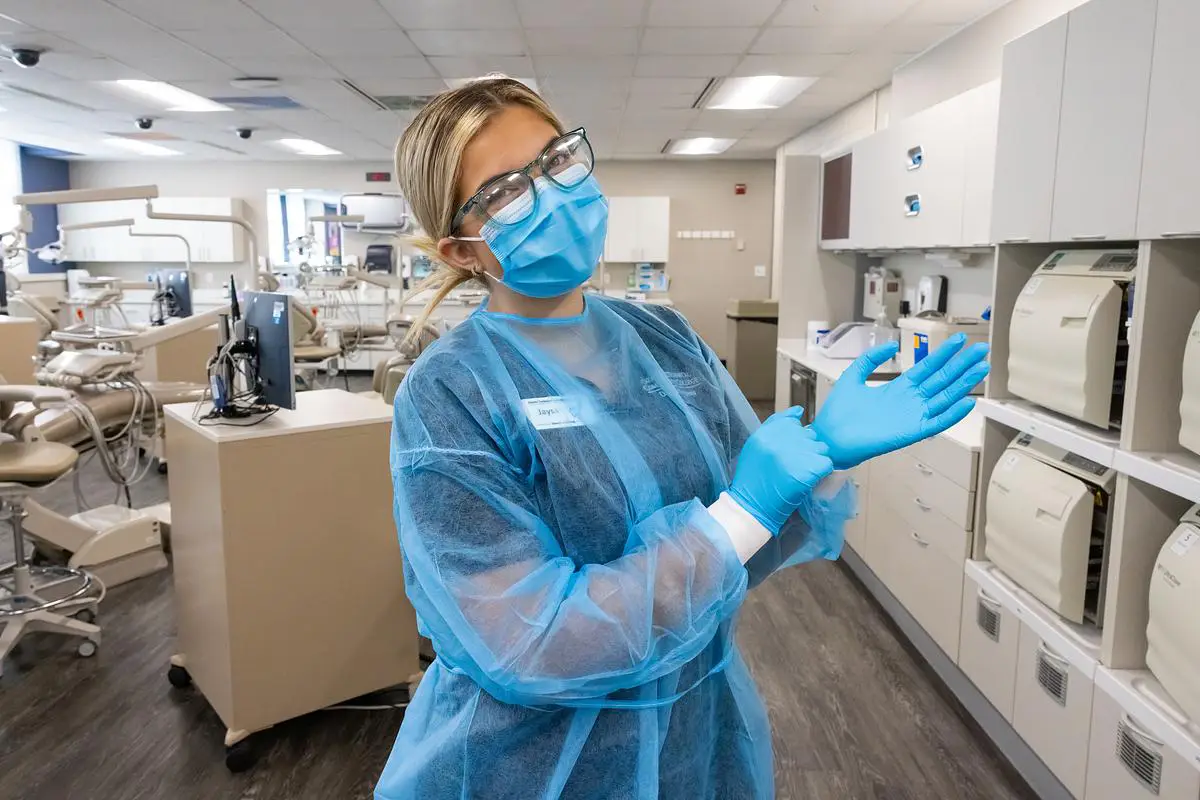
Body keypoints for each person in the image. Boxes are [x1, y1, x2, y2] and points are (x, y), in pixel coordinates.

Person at [377, 77, 990, 800]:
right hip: (535, 764)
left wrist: (818, 458)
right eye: (507, 191)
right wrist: (742, 511)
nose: (550, 194)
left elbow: (741, 553)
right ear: (460, 250)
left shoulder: (662, 339)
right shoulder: (452, 394)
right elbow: (532, 645)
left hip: (696, 737)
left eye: (555, 160)